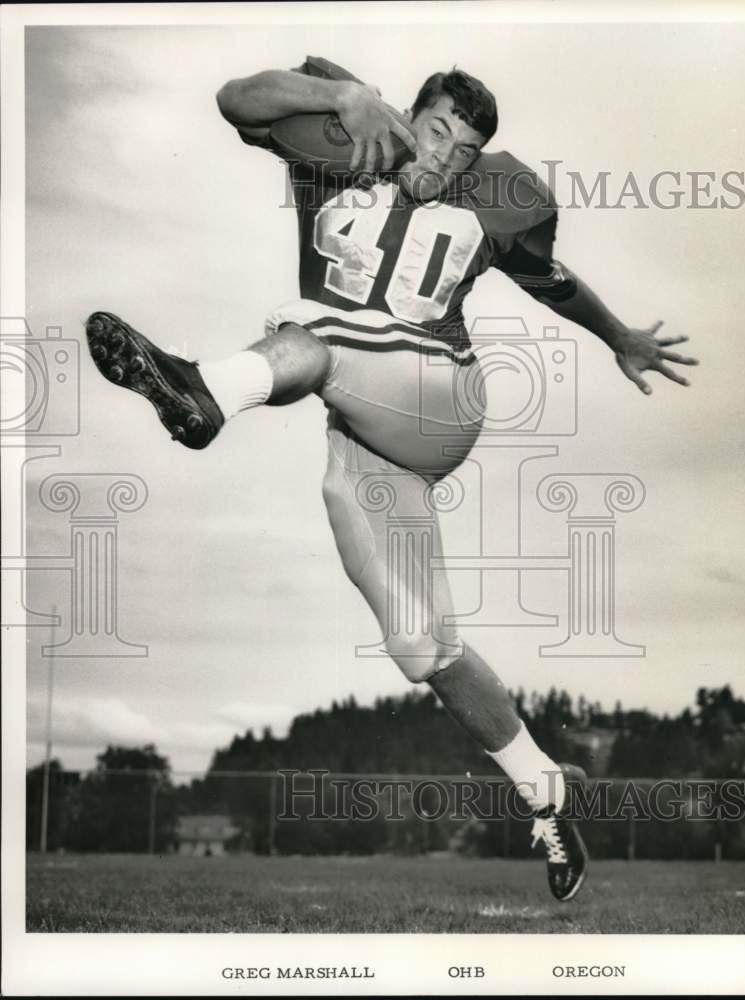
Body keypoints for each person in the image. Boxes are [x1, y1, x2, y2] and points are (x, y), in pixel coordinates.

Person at [85, 56, 698, 902]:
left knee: (308, 333)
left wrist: (621, 332)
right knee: (425, 650)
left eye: (467, 146)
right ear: (408, 117)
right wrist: (340, 93)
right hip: (363, 426)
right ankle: (546, 792)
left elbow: (553, 284)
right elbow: (235, 100)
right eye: (438, 130)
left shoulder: (490, 200)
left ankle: (206, 390)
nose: (448, 155)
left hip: (440, 402)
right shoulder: (345, 140)